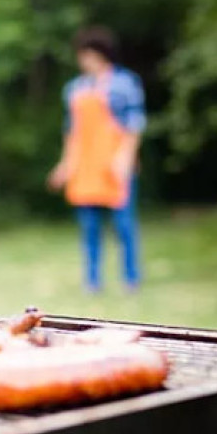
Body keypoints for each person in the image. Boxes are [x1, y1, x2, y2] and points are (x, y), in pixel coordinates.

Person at [46, 26, 146, 293]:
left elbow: (134, 125)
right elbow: (72, 132)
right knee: (89, 228)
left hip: (114, 165)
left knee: (124, 226)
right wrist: (65, 165)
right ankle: (92, 281)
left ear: (97, 54)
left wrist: (124, 158)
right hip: (85, 167)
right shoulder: (75, 88)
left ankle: (131, 278)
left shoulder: (125, 83)